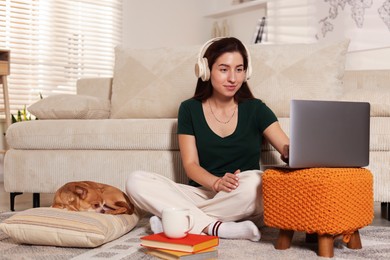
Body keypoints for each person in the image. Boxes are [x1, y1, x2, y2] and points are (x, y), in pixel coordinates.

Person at [126, 37, 289, 242]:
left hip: (239, 195)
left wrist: (292, 151)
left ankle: (180, 220)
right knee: (136, 181)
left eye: (239, 69)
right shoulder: (189, 109)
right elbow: (190, 164)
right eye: (224, 69)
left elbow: (286, 146)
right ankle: (216, 227)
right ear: (205, 70)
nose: (233, 78)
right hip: (203, 192)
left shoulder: (257, 109)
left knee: (257, 182)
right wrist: (216, 183)